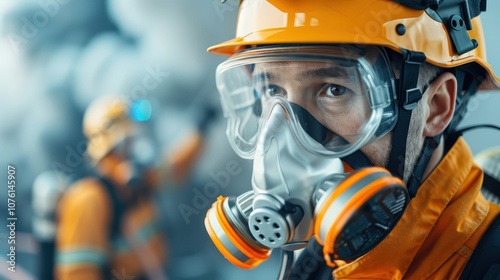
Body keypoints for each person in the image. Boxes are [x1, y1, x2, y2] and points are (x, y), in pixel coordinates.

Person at [203, 0, 500, 279]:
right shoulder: (325, 257)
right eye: (272, 91)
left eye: (334, 90)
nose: (283, 133)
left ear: (435, 108)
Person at [54, 96, 214, 280]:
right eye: (131, 140)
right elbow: (77, 274)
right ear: (115, 146)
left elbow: (175, 169)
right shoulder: (88, 199)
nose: (139, 146)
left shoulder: (137, 180)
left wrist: (200, 129)